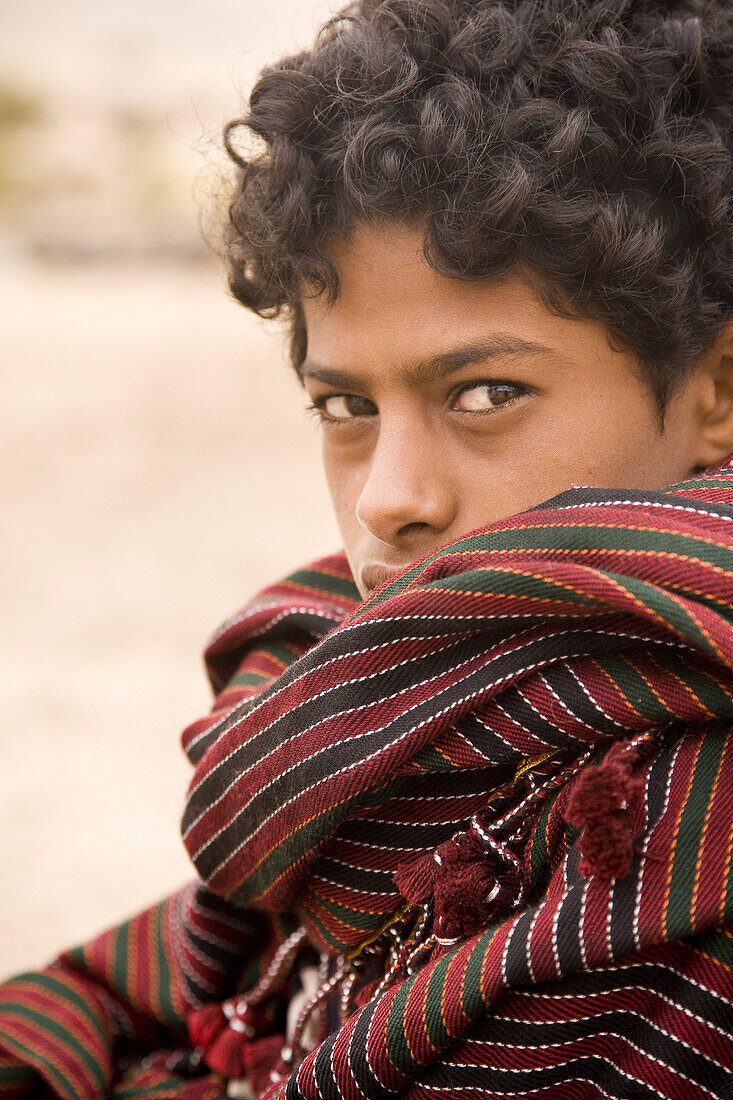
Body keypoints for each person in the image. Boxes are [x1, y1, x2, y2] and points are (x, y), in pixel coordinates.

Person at [2, 0, 733, 1096]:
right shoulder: (362, 714)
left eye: (487, 392)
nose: (389, 499)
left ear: (714, 390)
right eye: (344, 406)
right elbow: (115, 985)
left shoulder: (672, 824)